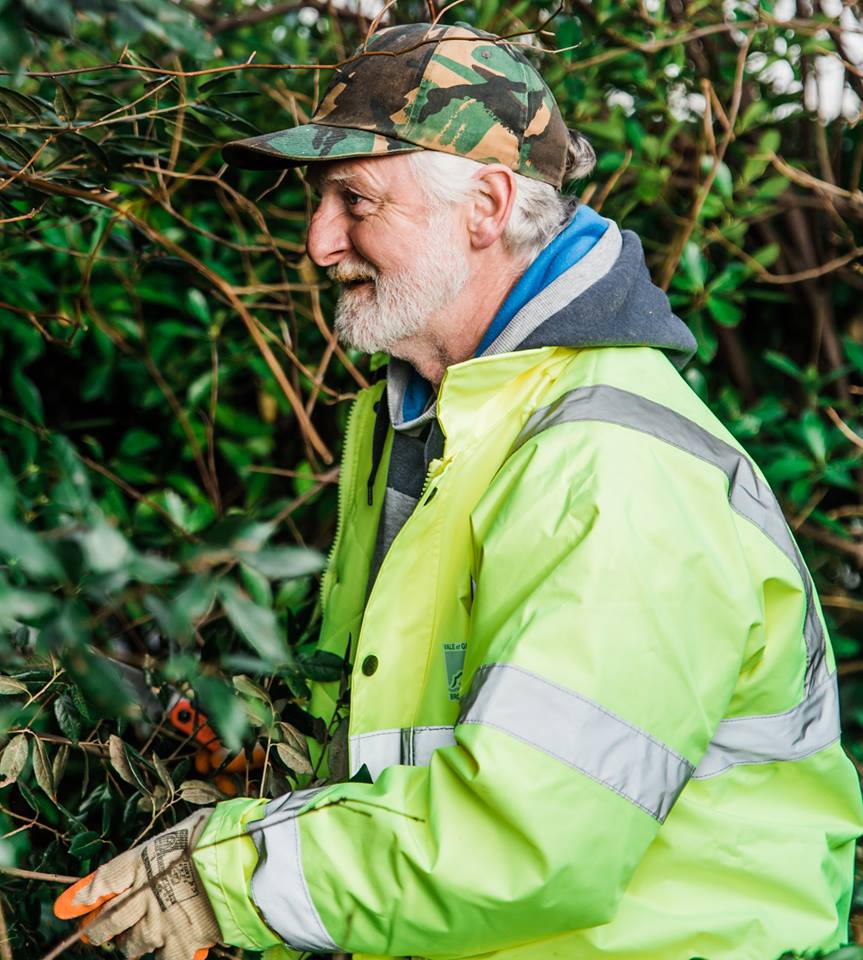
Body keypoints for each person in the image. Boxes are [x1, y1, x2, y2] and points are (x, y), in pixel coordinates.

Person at [54, 21, 863, 960]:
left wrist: (223, 877)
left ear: (485, 205)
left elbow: (532, 836)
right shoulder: (421, 423)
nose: (318, 242)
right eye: (320, 200)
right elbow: (381, 744)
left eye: (355, 199)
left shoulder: (612, 466)